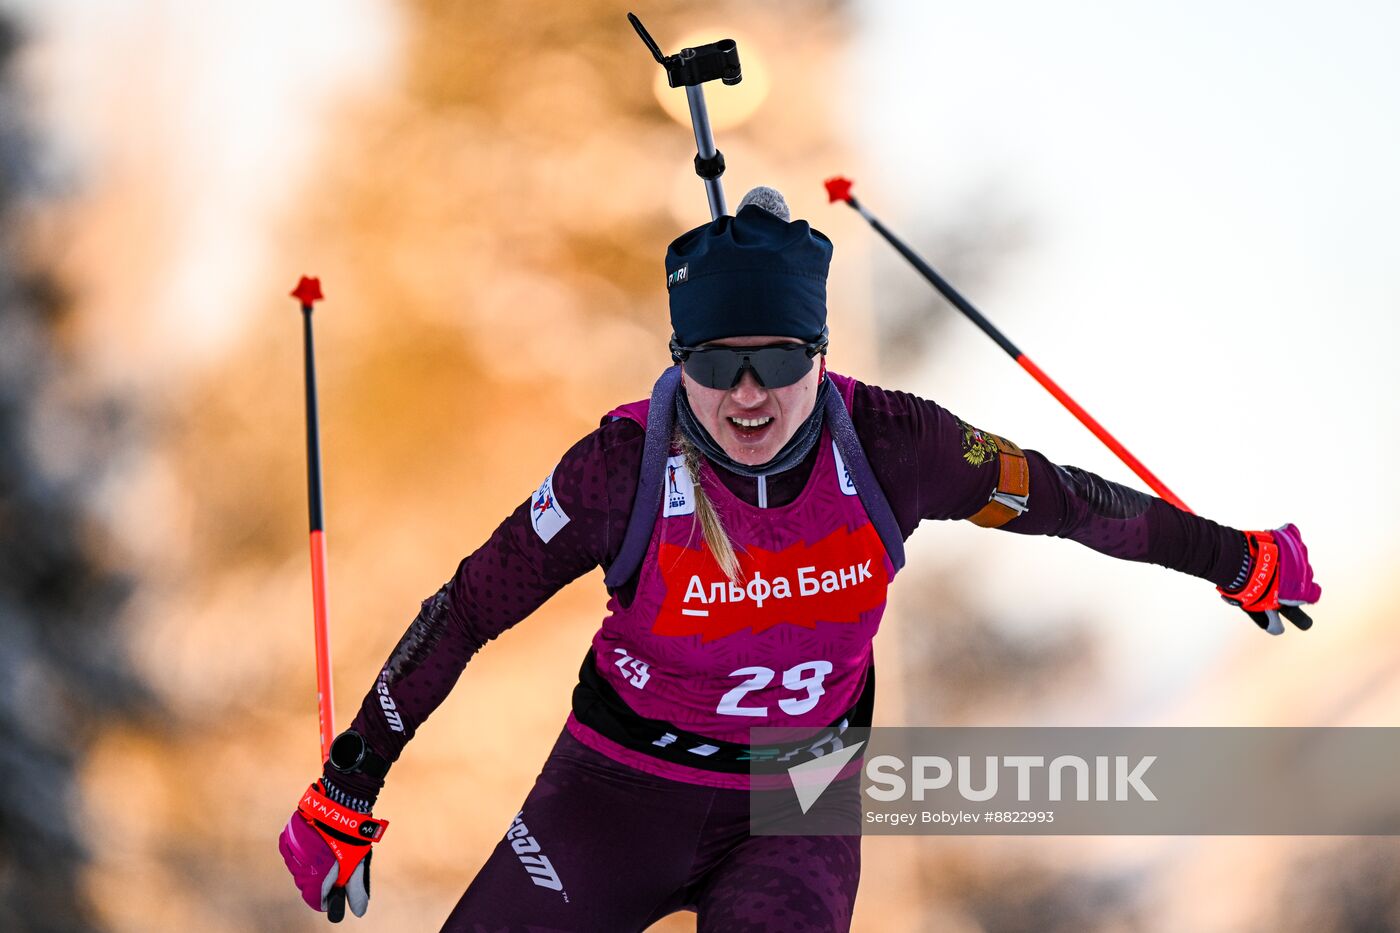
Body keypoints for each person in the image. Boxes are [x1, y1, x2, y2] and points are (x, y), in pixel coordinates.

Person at [278, 188, 1321, 931]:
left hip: (800, 795)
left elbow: (1058, 499)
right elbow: (468, 607)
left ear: (818, 353)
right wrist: (349, 783)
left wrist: (1231, 558)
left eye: (776, 360)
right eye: (713, 364)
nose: (746, 395)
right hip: (611, 795)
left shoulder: (897, 448)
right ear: (677, 360)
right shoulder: (619, 470)